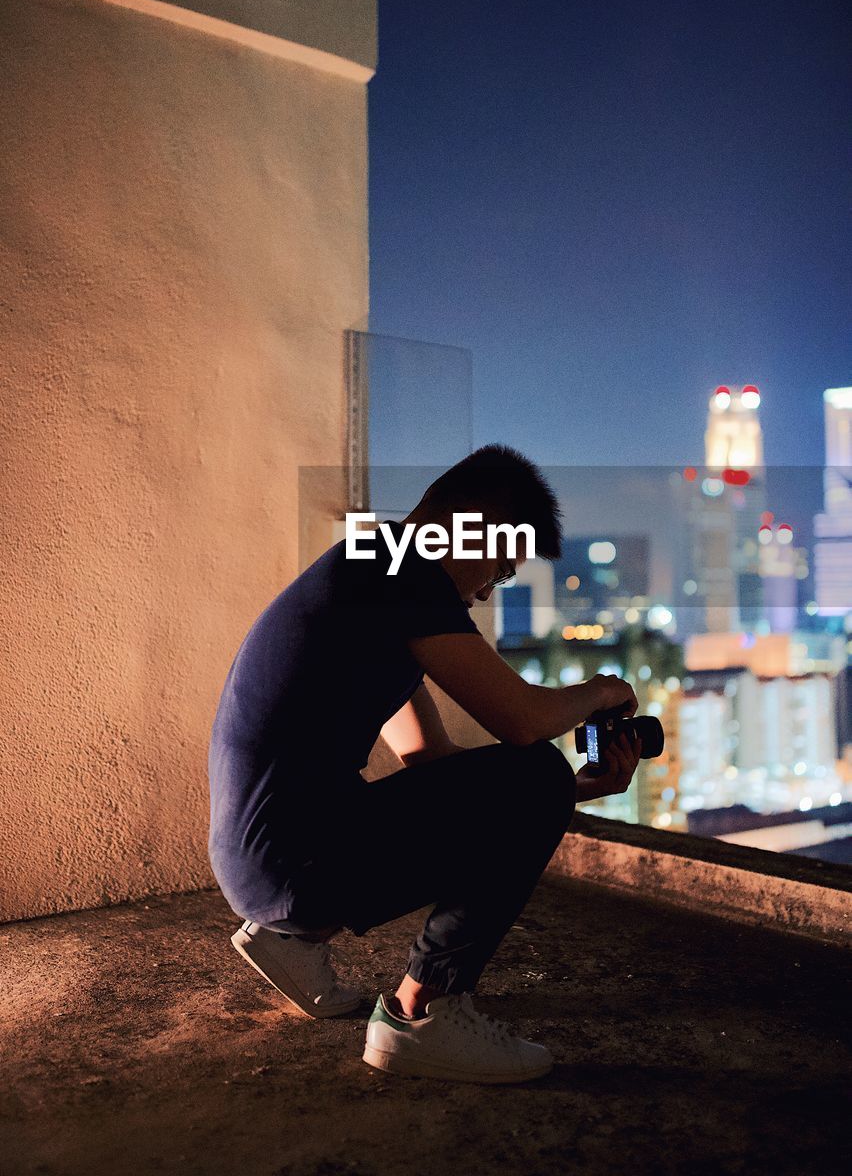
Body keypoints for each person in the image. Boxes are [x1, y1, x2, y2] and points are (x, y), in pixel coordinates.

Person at [208, 445, 642, 1083]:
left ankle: (291, 938)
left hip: (261, 860)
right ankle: (425, 1013)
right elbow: (519, 722)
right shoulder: (405, 573)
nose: (487, 592)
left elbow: (432, 763)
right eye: (498, 567)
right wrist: (605, 691)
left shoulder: (367, 568)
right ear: (474, 525)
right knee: (536, 769)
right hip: (288, 862)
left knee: (540, 781)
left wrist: (568, 793)